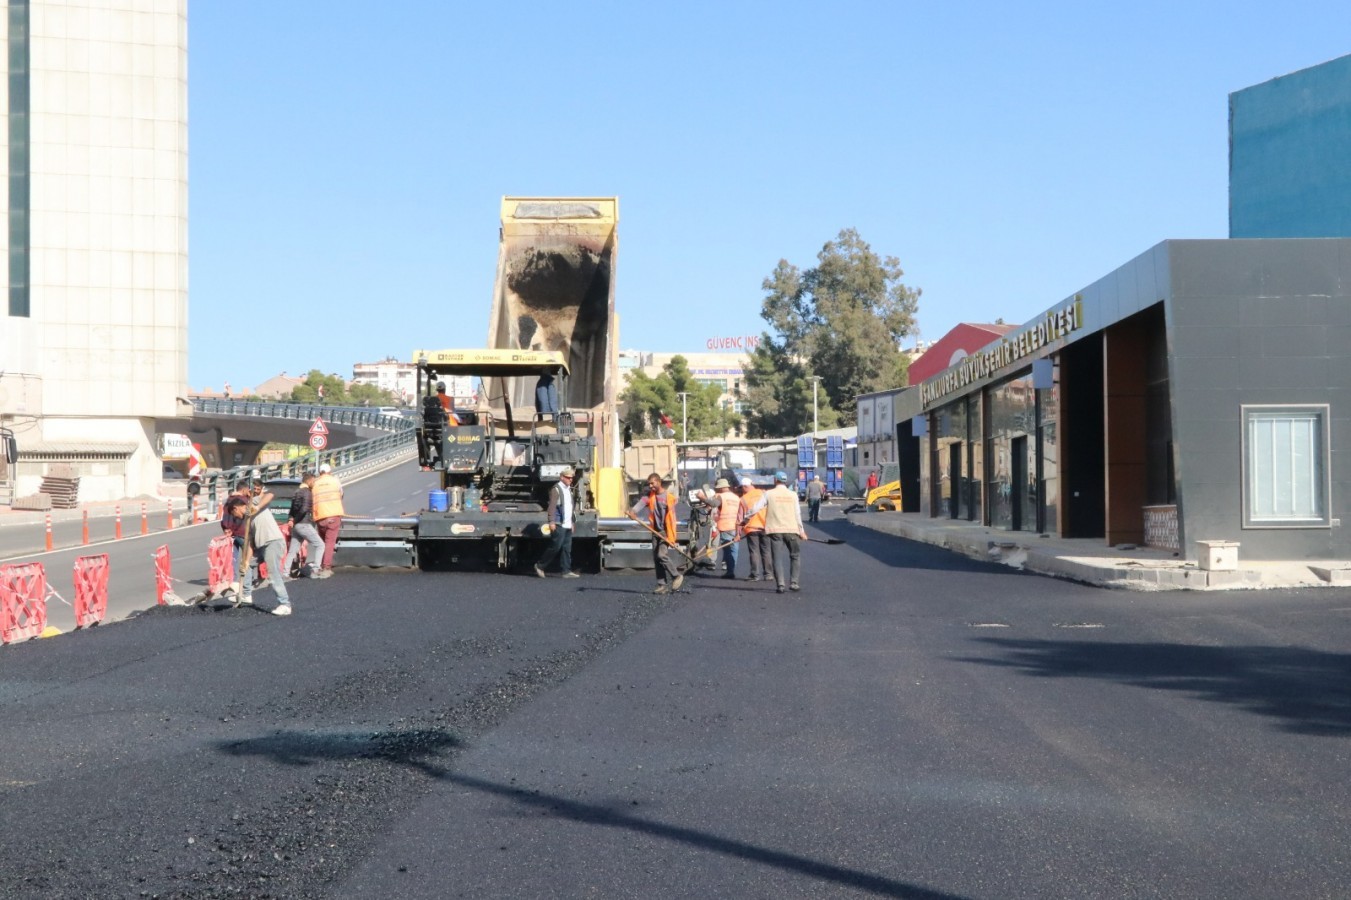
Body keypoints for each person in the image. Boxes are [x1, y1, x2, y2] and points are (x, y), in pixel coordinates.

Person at [225, 492, 292, 616]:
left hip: (273, 542)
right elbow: (250, 541)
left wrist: (257, 506)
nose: (237, 518)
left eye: (235, 515)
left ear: (236, 508)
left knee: (273, 573)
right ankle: (246, 595)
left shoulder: (252, 503)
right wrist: (245, 560)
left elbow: (270, 495)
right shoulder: (247, 520)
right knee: (247, 565)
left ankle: (285, 604)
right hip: (262, 546)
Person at [744, 471, 807, 593]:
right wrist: (802, 531)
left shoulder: (769, 494)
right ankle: (794, 583)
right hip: (792, 530)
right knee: (795, 556)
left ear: (775, 480)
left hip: (775, 530)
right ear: (785, 481)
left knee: (777, 558)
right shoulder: (793, 495)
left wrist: (745, 518)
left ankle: (781, 585)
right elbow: (797, 514)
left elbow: (756, 508)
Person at [629, 473, 681, 594]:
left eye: (653, 483)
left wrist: (671, 536)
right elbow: (639, 505)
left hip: (666, 531)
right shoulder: (650, 496)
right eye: (649, 484)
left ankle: (676, 576)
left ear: (659, 482)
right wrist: (632, 512)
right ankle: (662, 585)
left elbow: (672, 520)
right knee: (656, 559)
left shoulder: (669, 498)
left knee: (661, 555)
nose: (651, 486)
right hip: (655, 531)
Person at [535, 466, 579, 578]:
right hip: (559, 523)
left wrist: (572, 522)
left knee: (567, 548)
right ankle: (540, 566)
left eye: (571, 478)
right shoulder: (556, 489)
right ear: (562, 477)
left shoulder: (568, 489)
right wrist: (552, 521)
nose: (570, 480)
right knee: (555, 546)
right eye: (568, 478)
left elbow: (570, 506)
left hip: (568, 523)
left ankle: (566, 571)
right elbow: (552, 506)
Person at [282, 471, 324, 578]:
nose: (314, 483)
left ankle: (285, 572)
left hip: (296, 527)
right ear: (309, 480)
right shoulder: (307, 493)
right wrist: (296, 520)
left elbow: (292, 508)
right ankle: (316, 569)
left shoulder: (297, 492)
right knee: (320, 545)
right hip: (304, 524)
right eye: (313, 481)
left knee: (292, 550)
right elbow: (304, 509)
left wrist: (291, 520)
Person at [311, 463, 345, 578]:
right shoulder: (335, 480)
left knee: (321, 542)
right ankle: (326, 567)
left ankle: (319, 564)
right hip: (333, 515)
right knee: (329, 542)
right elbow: (341, 494)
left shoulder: (315, 483)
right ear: (329, 472)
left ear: (320, 472)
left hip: (320, 516)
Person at [737, 477, 768, 581]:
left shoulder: (743, 499)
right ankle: (768, 574)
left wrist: (738, 534)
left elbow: (740, 518)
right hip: (765, 526)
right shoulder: (763, 493)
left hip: (751, 528)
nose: (742, 490)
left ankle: (755, 575)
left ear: (745, 486)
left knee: (754, 552)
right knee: (766, 551)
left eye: (742, 488)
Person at [710, 478, 741, 578]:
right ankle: (731, 569)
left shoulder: (720, 497)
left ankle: (730, 571)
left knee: (727, 549)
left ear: (722, 488)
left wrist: (702, 498)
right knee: (734, 549)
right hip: (736, 526)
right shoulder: (736, 497)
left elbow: (713, 505)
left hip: (725, 525)